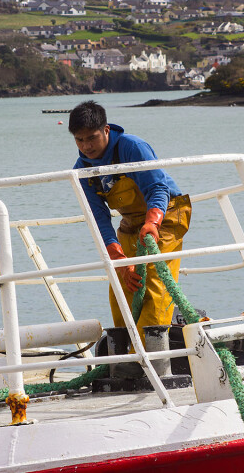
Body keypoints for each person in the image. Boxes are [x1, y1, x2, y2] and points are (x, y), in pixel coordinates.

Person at [69, 100, 191, 342]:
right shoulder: (81, 170)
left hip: (167, 215)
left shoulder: (132, 147)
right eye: (79, 140)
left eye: (91, 137)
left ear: (106, 130)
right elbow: (98, 217)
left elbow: (157, 187)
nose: (86, 146)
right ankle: (124, 351)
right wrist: (117, 256)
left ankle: (149, 357)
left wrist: (153, 222)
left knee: (155, 284)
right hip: (131, 222)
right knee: (122, 284)